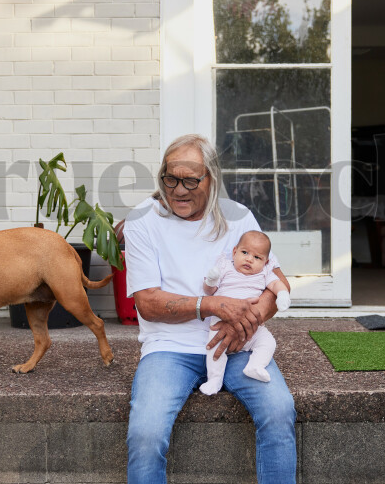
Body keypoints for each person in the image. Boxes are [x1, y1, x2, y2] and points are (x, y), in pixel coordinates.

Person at [124, 134, 297, 484]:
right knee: (145, 433)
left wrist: (245, 323)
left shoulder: (239, 218)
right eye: (170, 179)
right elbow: (148, 302)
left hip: (237, 346)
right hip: (169, 349)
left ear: (212, 179)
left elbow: (276, 285)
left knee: (279, 411)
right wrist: (211, 304)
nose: (179, 190)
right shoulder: (142, 220)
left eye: (191, 180)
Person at [199, 230, 290, 395]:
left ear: (266, 262)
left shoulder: (264, 273)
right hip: (221, 325)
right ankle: (214, 379)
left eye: (257, 257)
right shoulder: (225, 267)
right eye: (245, 252)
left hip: (252, 328)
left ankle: (255, 365)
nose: (249, 259)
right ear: (234, 252)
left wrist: (282, 294)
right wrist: (211, 280)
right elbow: (209, 291)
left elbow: (277, 285)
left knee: (268, 342)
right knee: (214, 350)